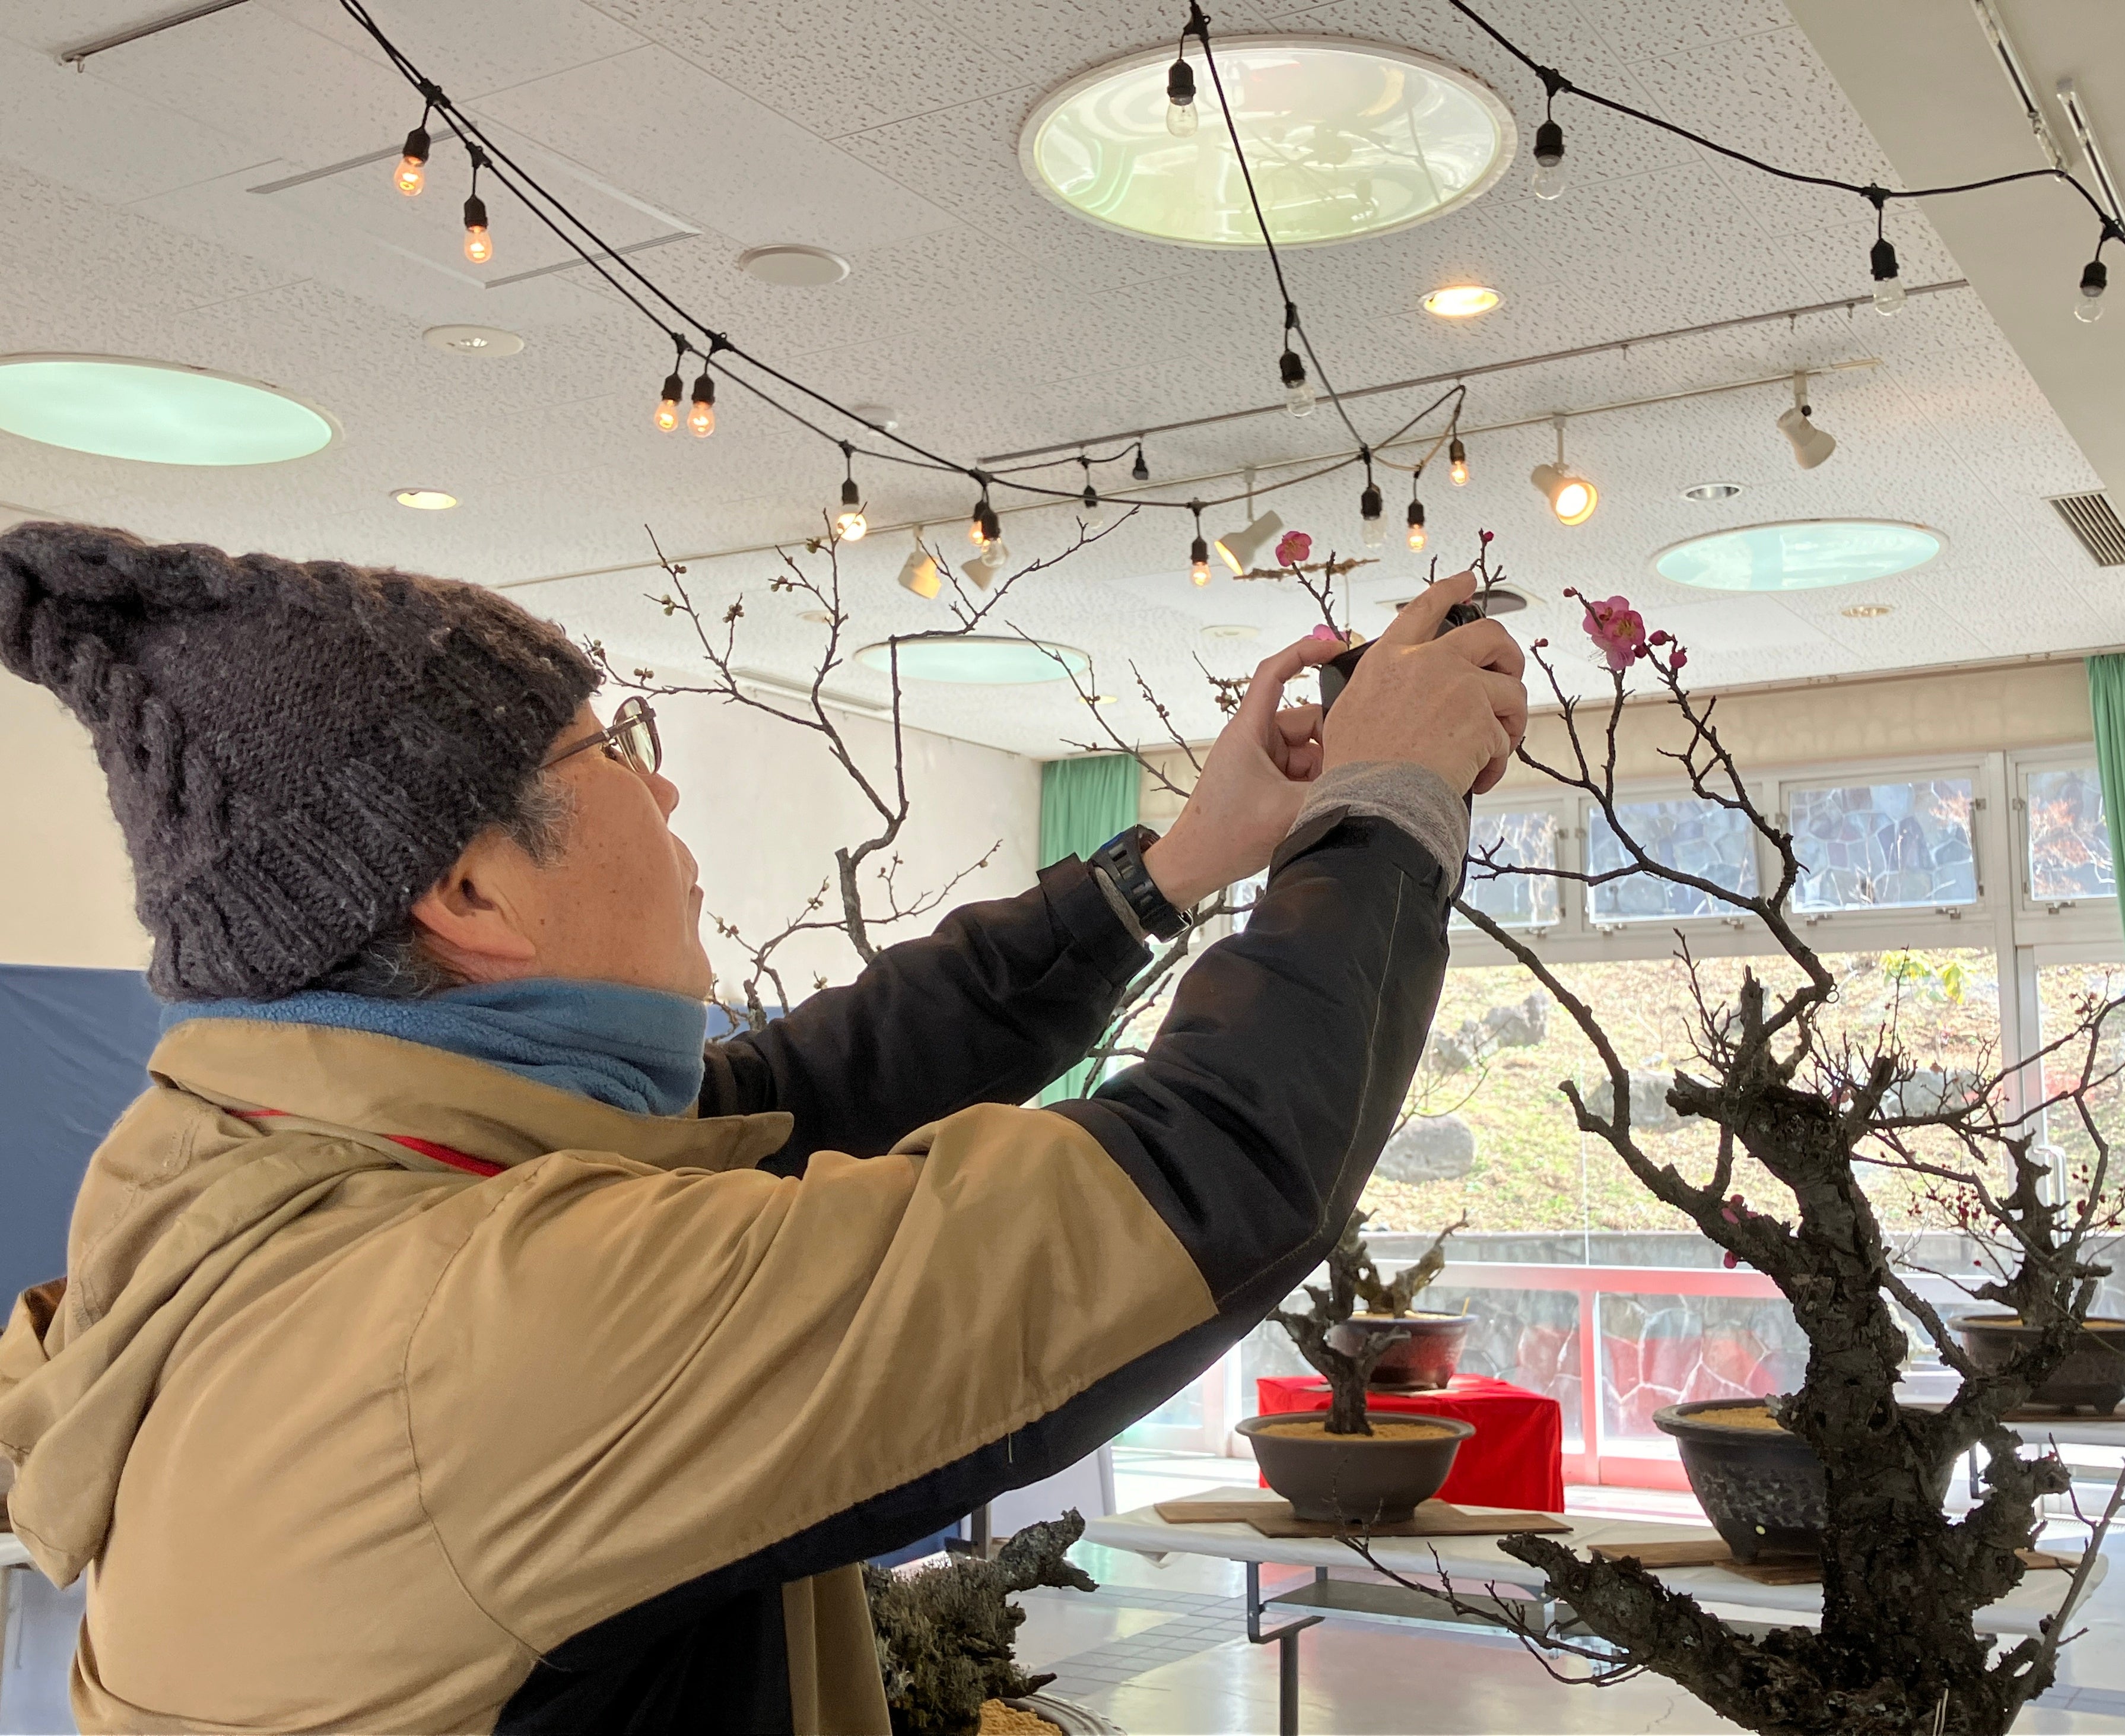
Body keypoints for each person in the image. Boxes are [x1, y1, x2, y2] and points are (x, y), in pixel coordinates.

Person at [0, 520, 1523, 1734]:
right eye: (608, 748)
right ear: (468, 893)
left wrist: (1172, 867)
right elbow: (1198, 1180)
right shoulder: (467, 1334)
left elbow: (787, 1098)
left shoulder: (269, 1179)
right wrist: (1383, 812)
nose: (661, 785)